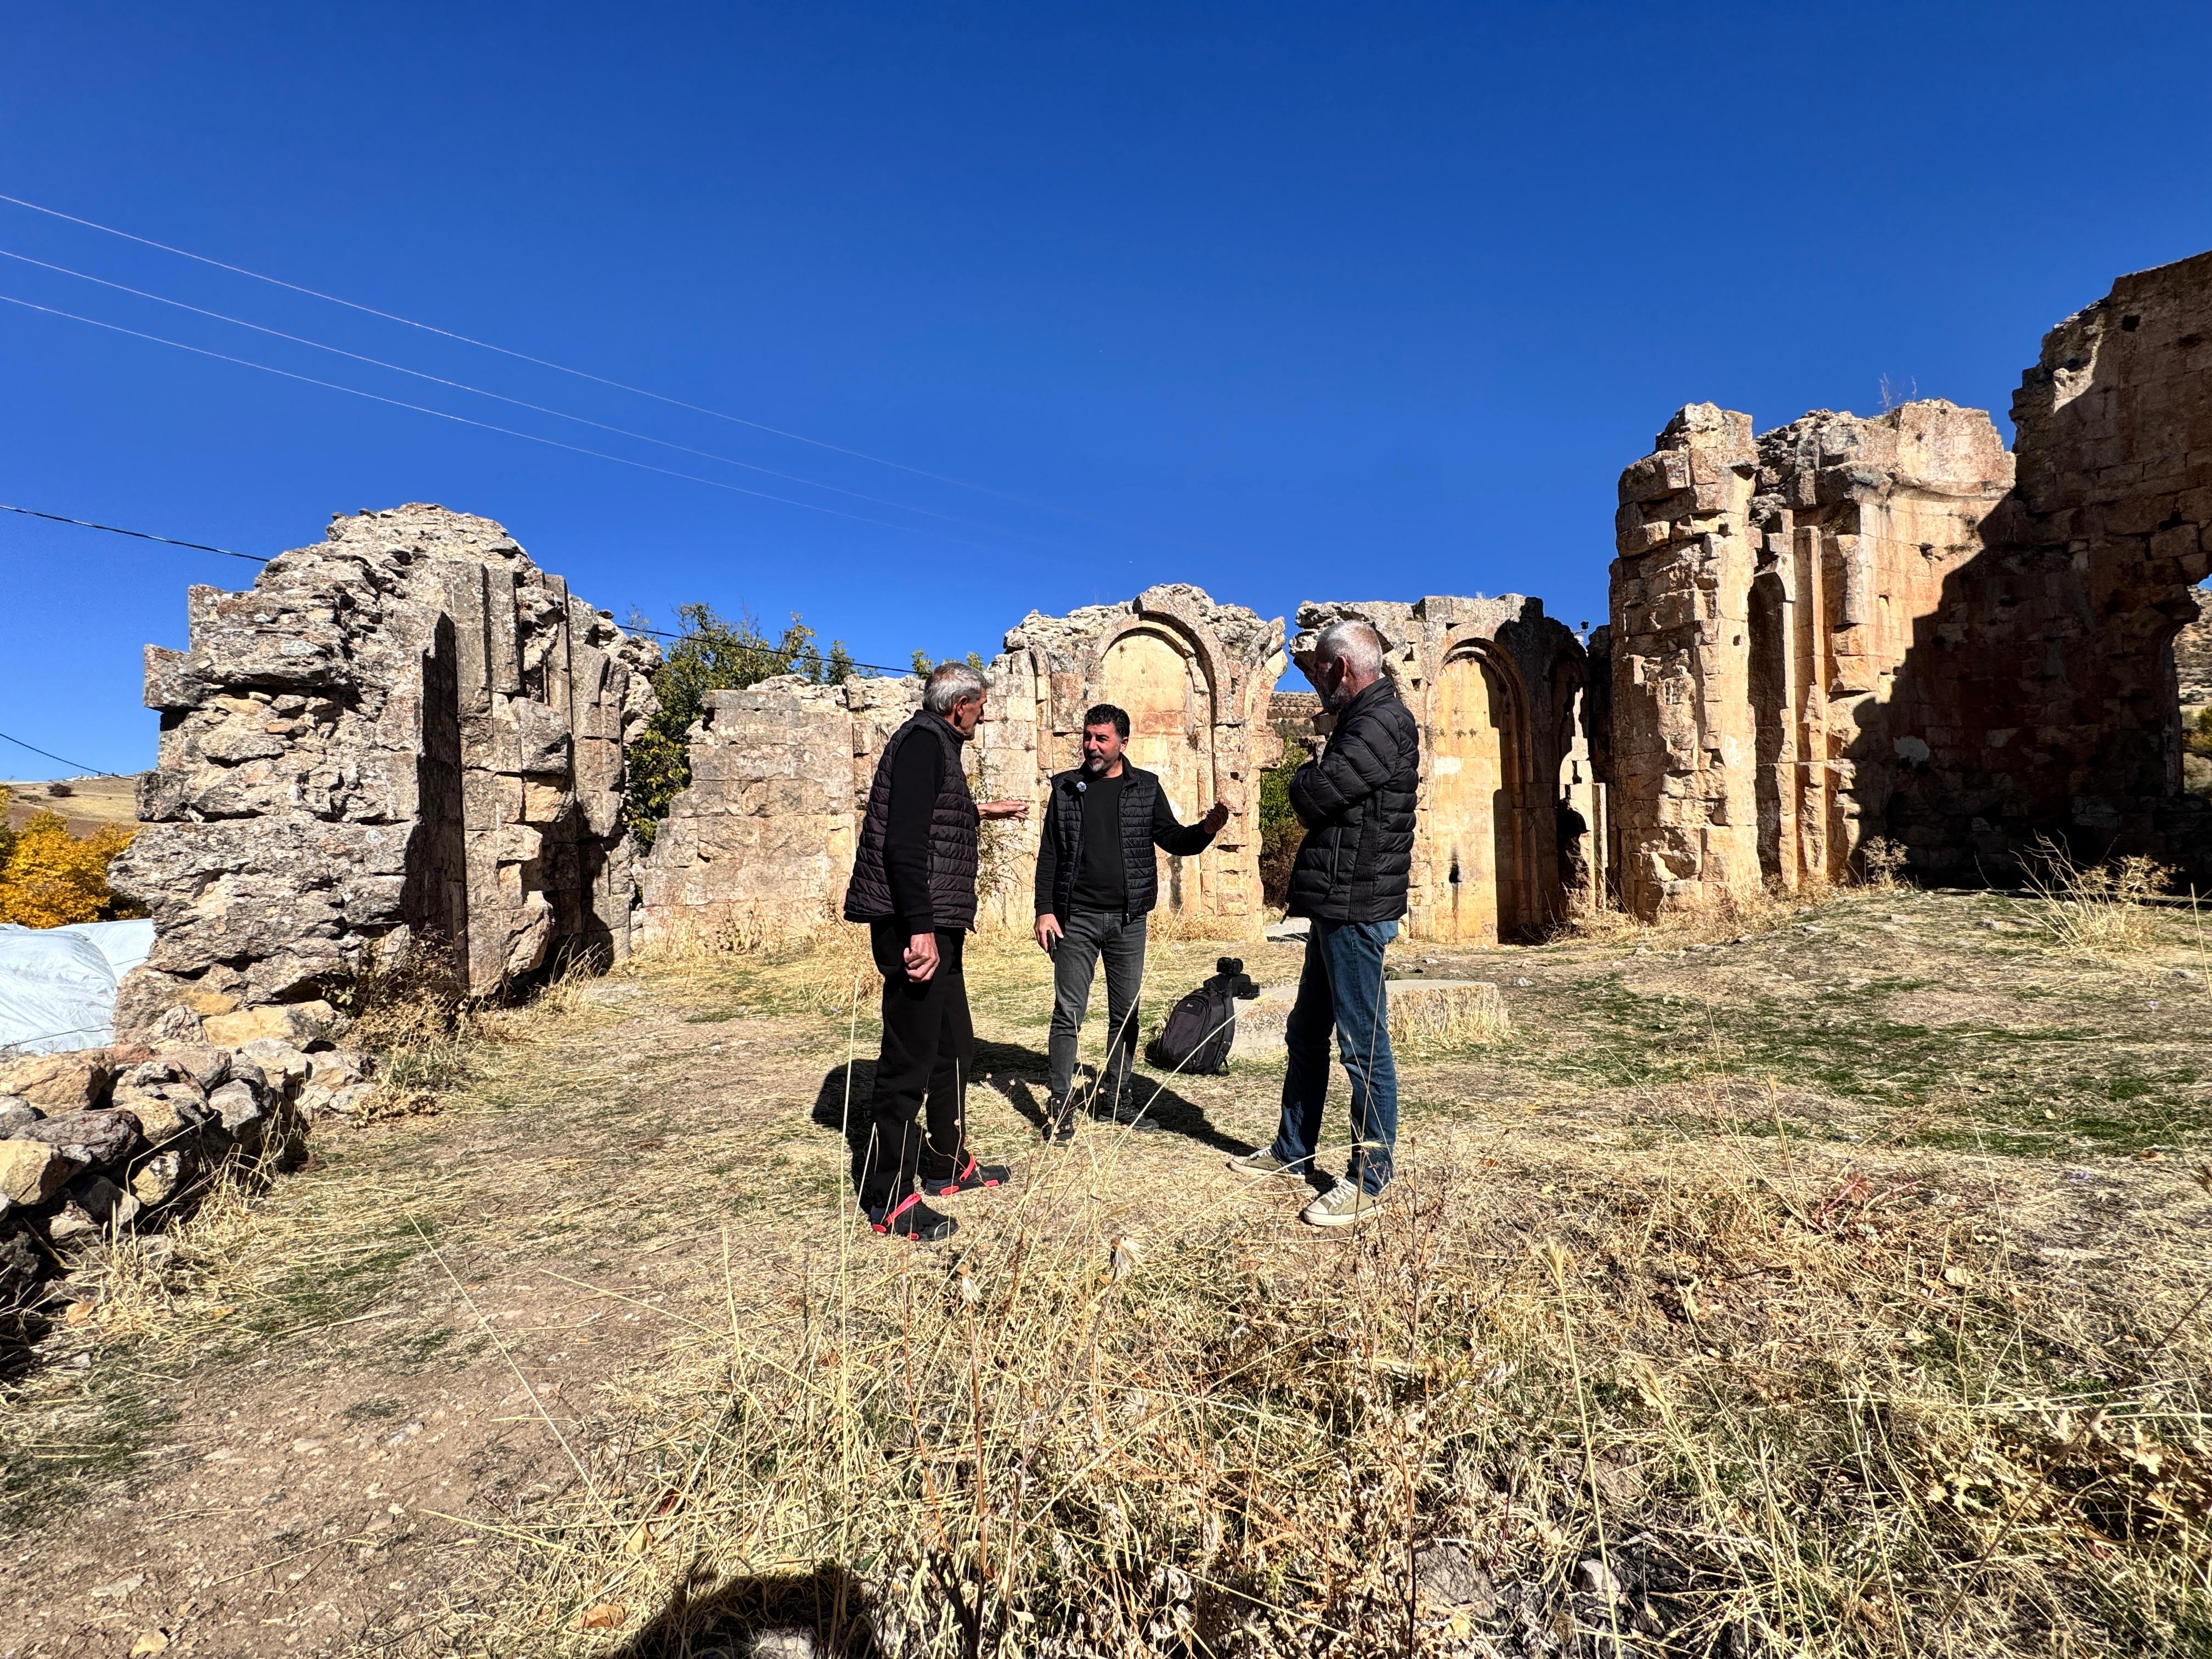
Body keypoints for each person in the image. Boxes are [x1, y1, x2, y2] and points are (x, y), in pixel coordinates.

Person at [1229, 619, 1419, 1227]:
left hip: (1357, 908)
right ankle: (1293, 1149)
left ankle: (1369, 1177)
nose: (1317, 689)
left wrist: (1308, 770)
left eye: (1319, 675)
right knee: (1306, 1033)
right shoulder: (1363, 721)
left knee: (1362, 1047)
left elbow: (1309, 798)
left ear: (1341, 669)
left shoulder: (1380, 722)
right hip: (1338, 904)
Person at [843, 662, 1031, 1242]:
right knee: (908, 1062)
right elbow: (903, 841)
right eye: (980, 707)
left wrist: (980, 812)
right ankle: (889, 1198)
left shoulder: (936, 744)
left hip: (938, 924)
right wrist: (918, 930)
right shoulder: (925, 743)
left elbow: (928, 819)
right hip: (915, 926)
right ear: (961, 705)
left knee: (955, 1045)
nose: (983, 715)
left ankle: (947, 1161)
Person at [1032, 704, 1229, 1141]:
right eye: (1087, 737)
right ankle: (1061, 1106)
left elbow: (1174, 838)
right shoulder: (1066, 788)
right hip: (1075, 920)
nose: (1092, 746)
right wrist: (1043, 910)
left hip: (1128, 921)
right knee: (1069, 1013)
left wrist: (1206, 829)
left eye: (1101, 738)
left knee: (1126, 1016)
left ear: (1123, 742)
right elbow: (1050, 854)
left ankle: (1117, 1099)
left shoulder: (1146, 787)